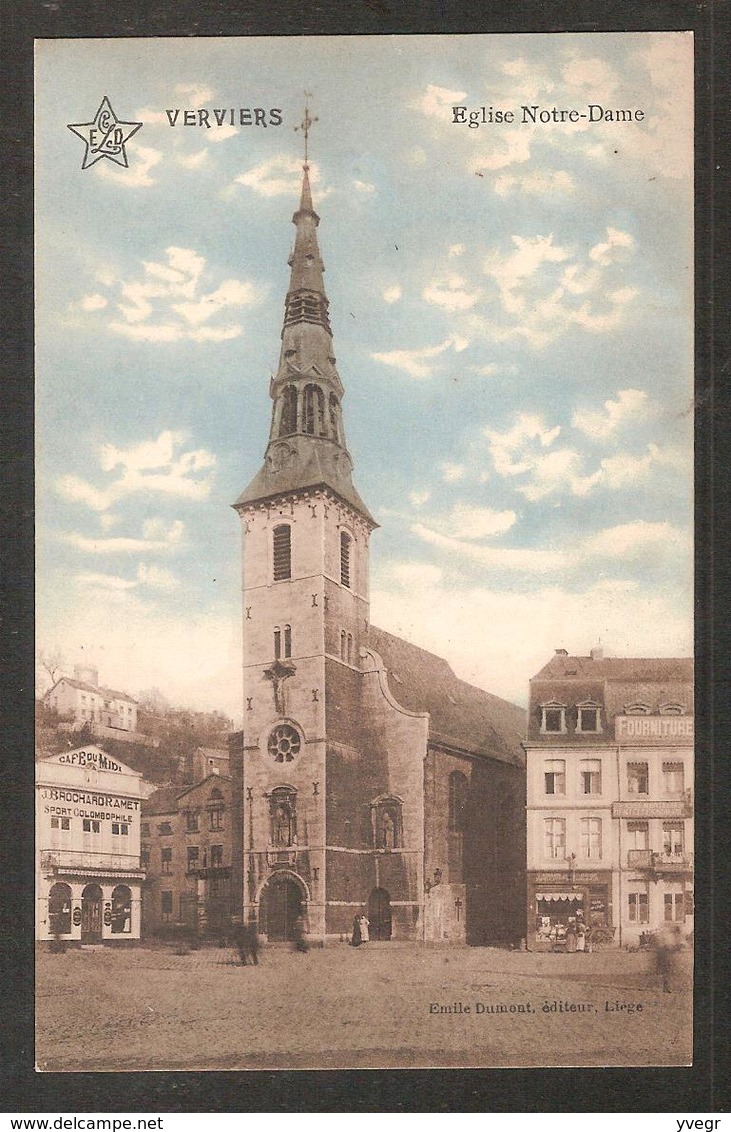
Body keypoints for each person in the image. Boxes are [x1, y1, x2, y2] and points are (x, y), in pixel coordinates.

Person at [654, 923, 683, 992]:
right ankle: (666, 987)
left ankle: (667, 987)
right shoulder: (668, 936)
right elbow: (665, 946)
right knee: (667, 972)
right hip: (666, 957)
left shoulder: (671, 936)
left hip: (668, 956)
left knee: (668, 972)